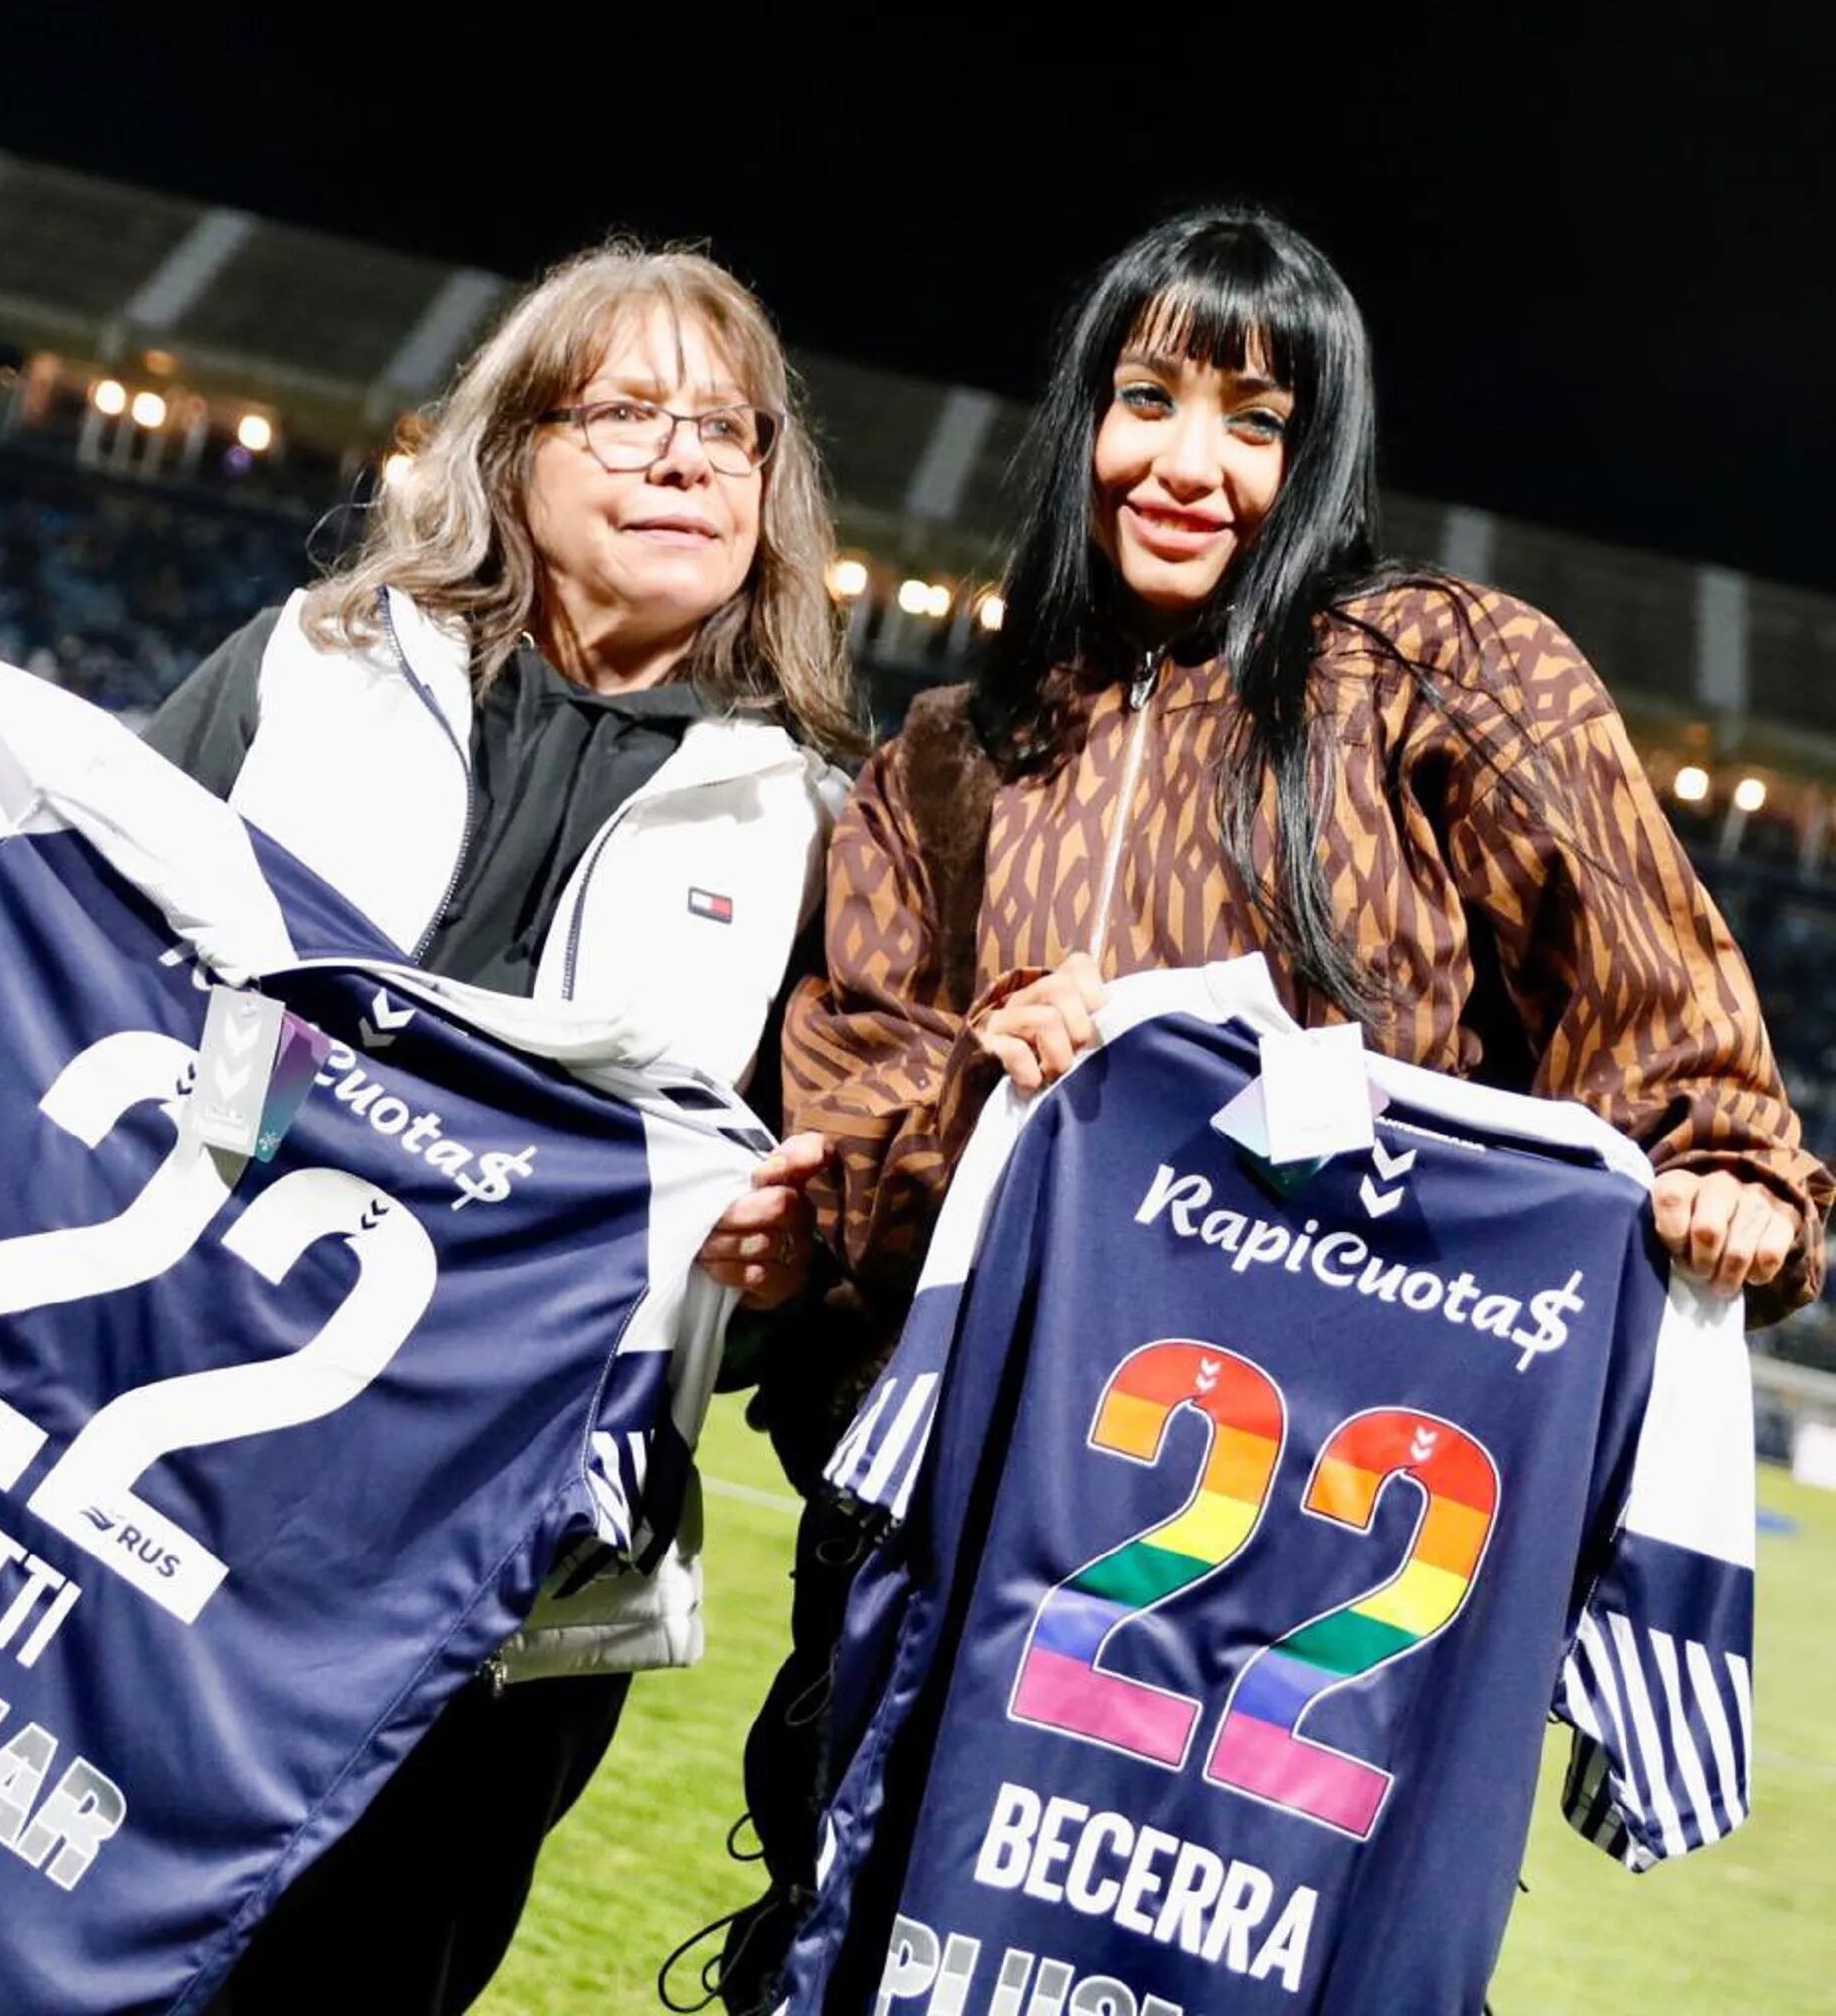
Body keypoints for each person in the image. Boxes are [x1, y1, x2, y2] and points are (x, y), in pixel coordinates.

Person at [715, 204, 1832, 2016]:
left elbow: (1660, 1004)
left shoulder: (1442, 671)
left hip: (1326, 1580)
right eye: (1146, 398)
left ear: (1322, 456)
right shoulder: (947, 758)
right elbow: (848, 1160)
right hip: (962, 1555)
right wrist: (986, 1098)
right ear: (1083, 416)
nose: (1189, 463)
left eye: (1259, 421)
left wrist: (1730, 1181)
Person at [0, 241, 864, 2014]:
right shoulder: (304, 664)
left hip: (490, 1604)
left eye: (731, 430)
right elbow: (74, 947)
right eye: (628, 415)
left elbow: (798, 1231)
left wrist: (773, 1265)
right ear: (509, 451)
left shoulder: (823, 833)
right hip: (149, 1500)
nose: (690, 459)